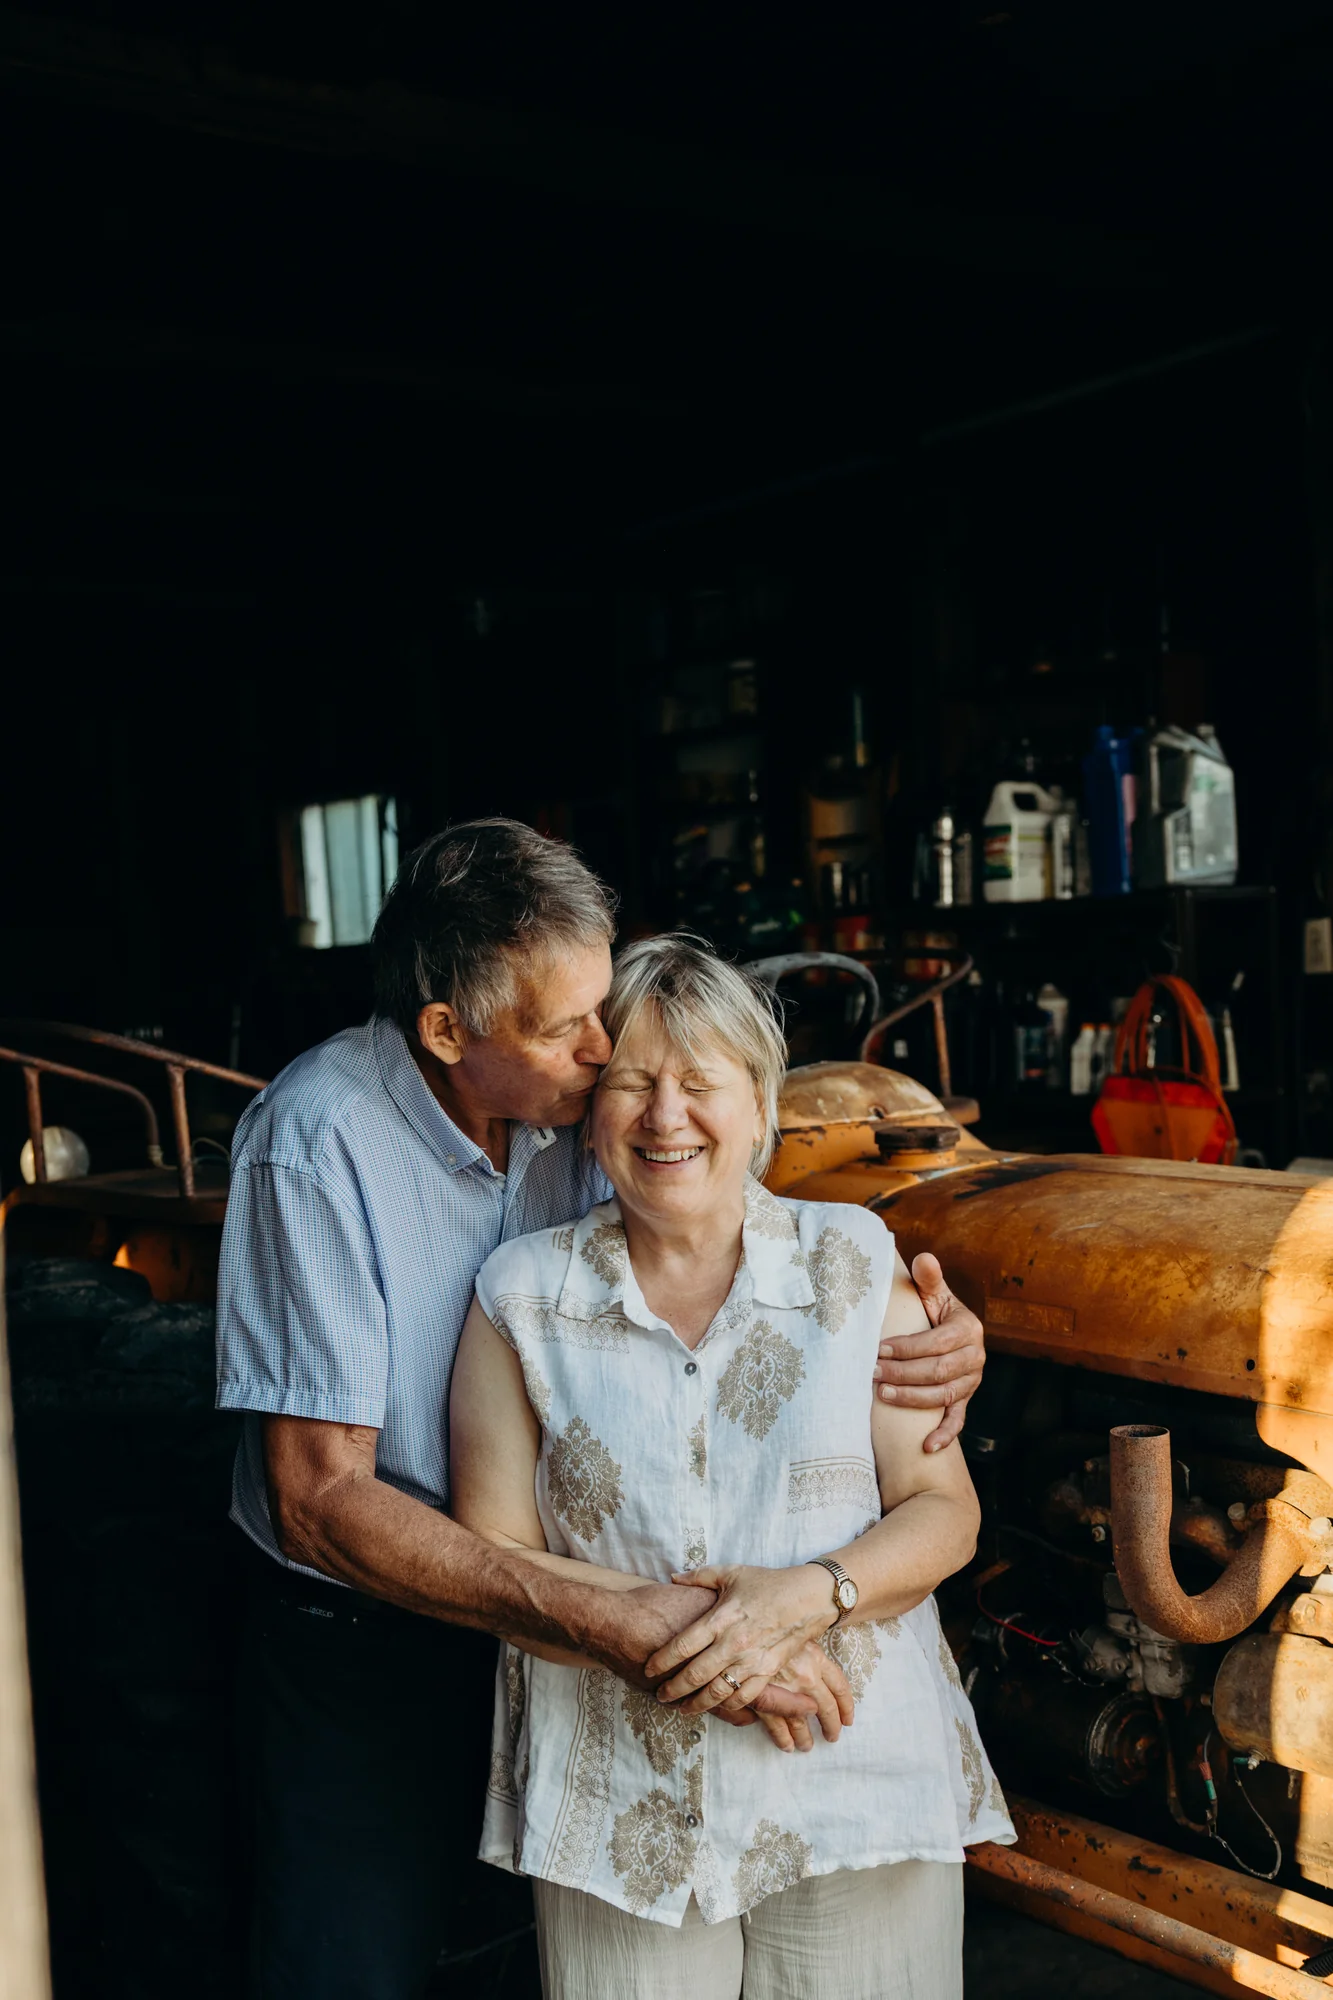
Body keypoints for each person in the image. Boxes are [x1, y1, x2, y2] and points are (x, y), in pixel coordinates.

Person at [216, 818, 988, 1999]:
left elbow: (722, 1198)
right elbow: (321, 1499)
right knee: (353, 1960)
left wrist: (928, 1329)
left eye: (604, 1014)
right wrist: (676, 1632)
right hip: (368, 1624)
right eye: (577, 1033)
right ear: (445, 1031)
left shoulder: (576, 1106)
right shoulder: (316, 1145)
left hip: (582, 1628)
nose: (604, 1047)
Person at [450, 934, 1013, 1999]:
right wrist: (727, 1643)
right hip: (617, 1811)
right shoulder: (518, 1296)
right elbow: (490, 1558)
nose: (666, 1116)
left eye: (701, 1082)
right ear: (589, 1104)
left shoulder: (852, 1258)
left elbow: (943, 1510)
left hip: (854, 1783)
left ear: (760, 1108)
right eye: (631, 1083)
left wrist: (805, 1599)